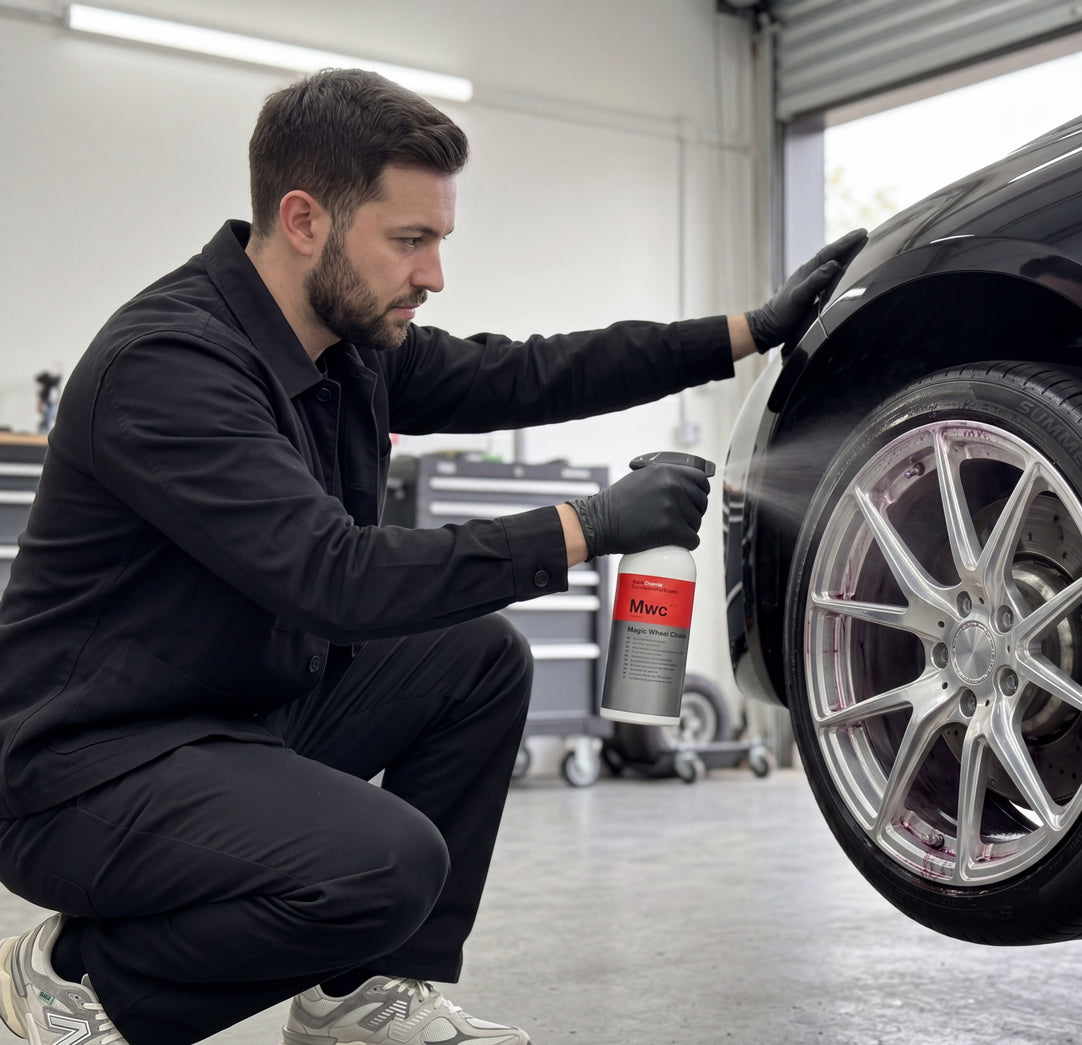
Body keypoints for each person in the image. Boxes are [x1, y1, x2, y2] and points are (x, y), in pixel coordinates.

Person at [0, 69, 864, 1045]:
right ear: (303, 220)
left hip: (230, 713)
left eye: (438, 241)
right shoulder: (171, 368)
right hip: (79, 770)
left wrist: (744, 332)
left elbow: (528, 368)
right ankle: (76, 980)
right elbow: (334, 576)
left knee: (476, 657)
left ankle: (353, 998)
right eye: (409, 240)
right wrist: (582, 526)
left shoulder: (346, 342)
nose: (433, 274)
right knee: (385, 863)